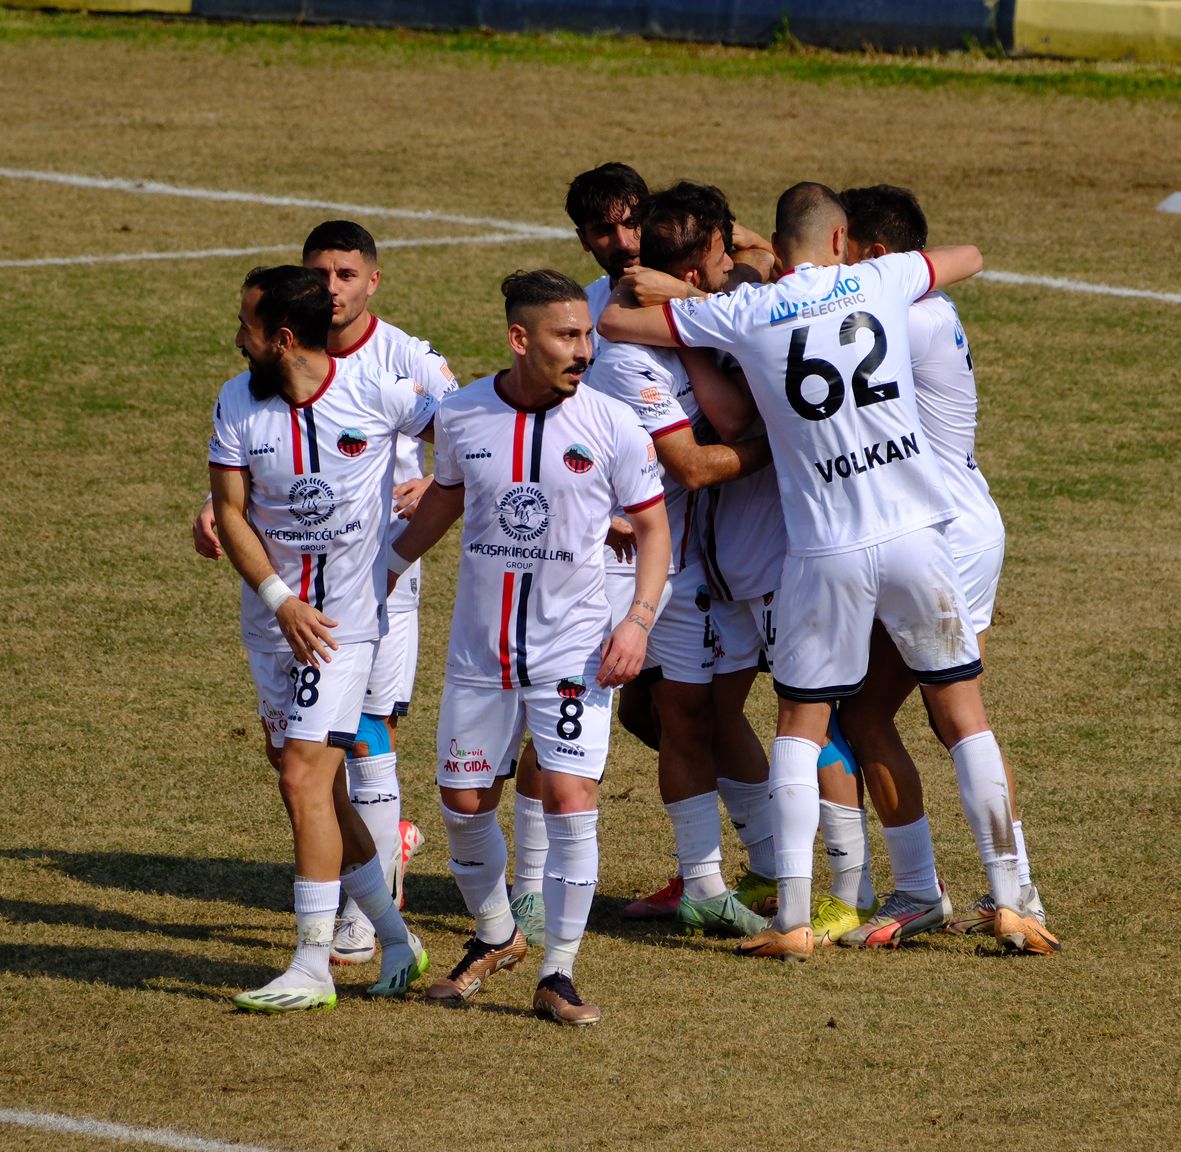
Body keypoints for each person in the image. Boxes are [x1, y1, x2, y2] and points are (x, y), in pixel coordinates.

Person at [598, 181, 1048, 962]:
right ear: (843, 242)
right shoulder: (882, 280)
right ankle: (1012, 901)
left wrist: (678, 296)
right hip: (917, 534)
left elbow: (614, 318)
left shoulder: (740, 313)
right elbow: (969, 255)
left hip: (824, 550)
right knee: (963, 716)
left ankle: (796, 921)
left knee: (802, 728)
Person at [388, 269, 668, 1024]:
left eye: (587, 333)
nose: (585, 348)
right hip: (480, 655)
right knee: (464, 801)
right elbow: (446, 494)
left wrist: (637, 620)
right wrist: (386, 566)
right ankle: (495, 935)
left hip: (574, 652)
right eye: (567, 336)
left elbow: (652, 529)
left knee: (573, 800)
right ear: (520, 339)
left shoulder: (612, 423)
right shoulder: (464, 416)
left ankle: (560, 972)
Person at [191, 221, 445, 966]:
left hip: (346, 625)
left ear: (283, 336)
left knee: (310, 772)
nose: (237, 337)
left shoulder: (379, 391)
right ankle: (397, 941)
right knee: (305, 783)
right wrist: (279, 600)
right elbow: (231, 513)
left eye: (247, 325)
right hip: (275, 622)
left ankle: (311, 963)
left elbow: (470, 434)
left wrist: (399, 551)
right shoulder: (237, 400)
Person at [829, 184, 1055, 952]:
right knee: (948, 715)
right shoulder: (925, 310)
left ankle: (926, 890)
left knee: (869, 716)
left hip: (933, 534)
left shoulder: (891, 317)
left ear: (879, 258)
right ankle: (1015, 893)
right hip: (966, 524)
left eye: (844, 250)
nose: (834, 266)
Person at [584, 181, 776, 937]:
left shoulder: (683, 320)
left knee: (692, 715)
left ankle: (744, 872)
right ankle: (530, 890)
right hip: (623, 566)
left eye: (632, 226)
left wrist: (703, 290)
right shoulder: (628, 348)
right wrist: (785, 449)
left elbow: (763, 255)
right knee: (597, 719)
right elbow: (694, 465)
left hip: (695, 563)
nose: (621, 242)